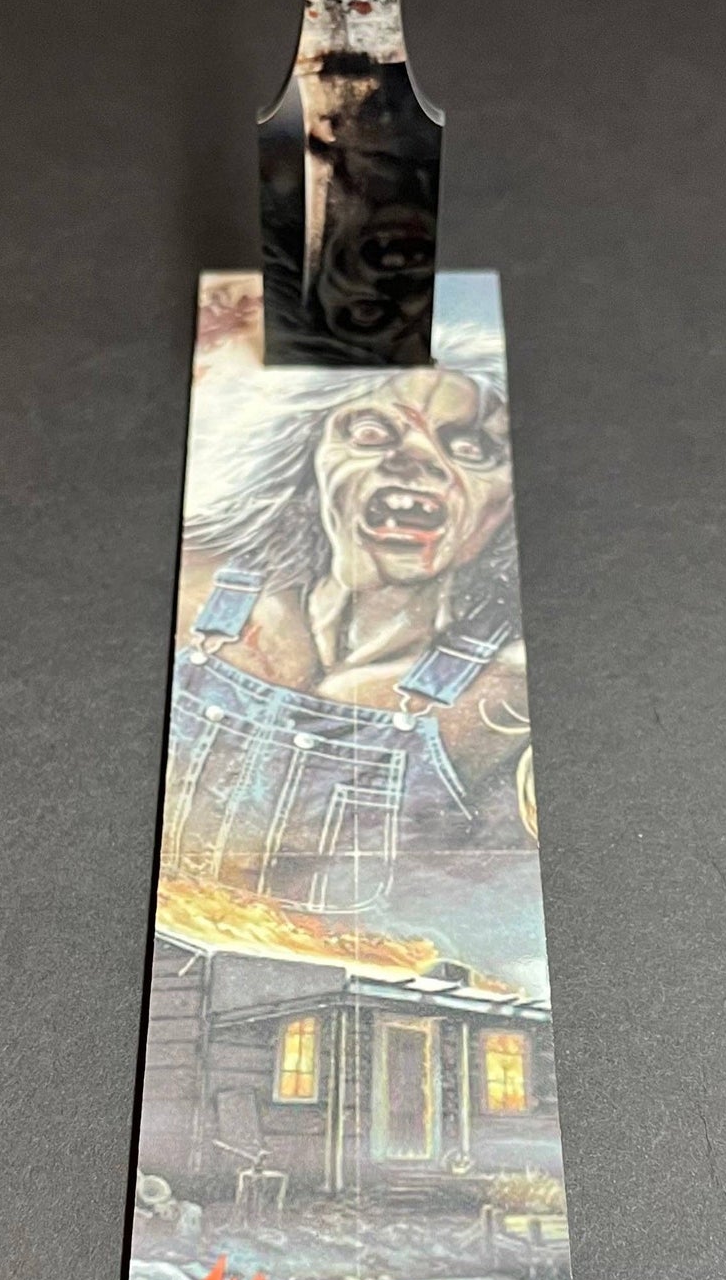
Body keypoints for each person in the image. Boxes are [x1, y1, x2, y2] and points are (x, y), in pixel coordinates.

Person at [163, 319, 533, 918]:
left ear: (507, 503)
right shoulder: (195, 586)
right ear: (310, 458)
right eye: (370, 432)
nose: (416, 462)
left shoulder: (508, 693)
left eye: (471, 449)